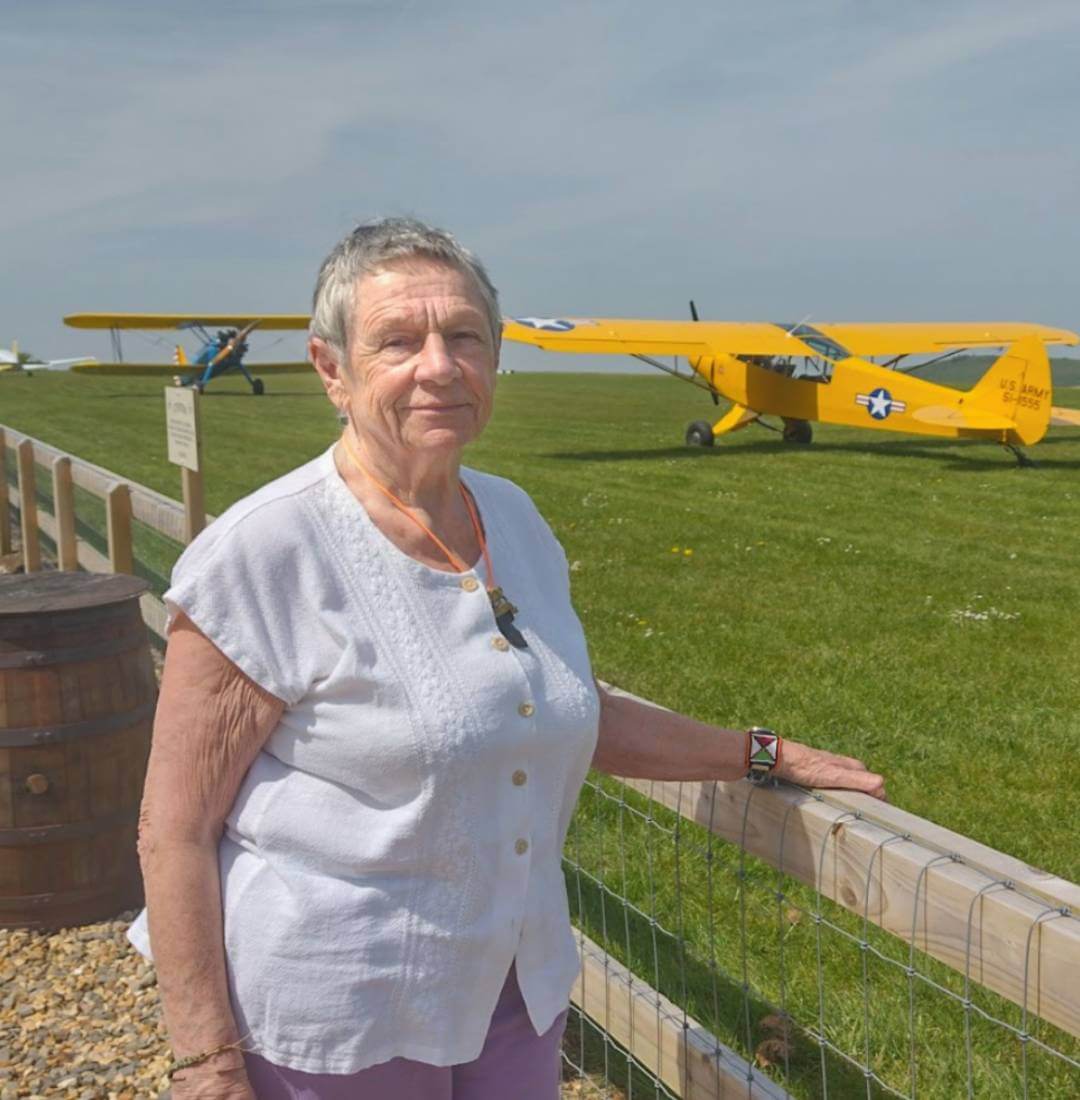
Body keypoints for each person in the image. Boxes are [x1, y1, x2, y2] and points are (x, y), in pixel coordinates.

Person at [130, 217, 885, 1100]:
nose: (439, 366)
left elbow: (555, 700)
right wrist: (207, 1062)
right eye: (398, 341)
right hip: (343, 1013)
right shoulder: (267, 550)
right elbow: (172, 829)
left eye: (464, 337)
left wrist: (762, 753)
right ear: (332, 369)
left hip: (513, 989)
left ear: (494, 360)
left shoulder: (513, 519)